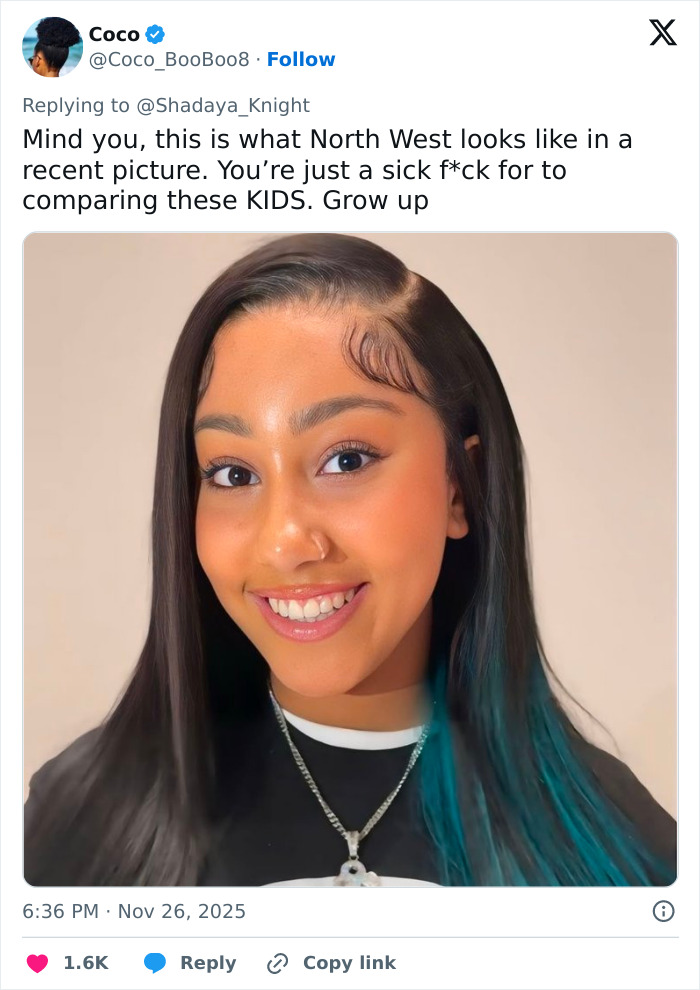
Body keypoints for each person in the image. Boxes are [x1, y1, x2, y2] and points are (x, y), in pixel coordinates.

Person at [24, 234, 676, 886]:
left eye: (347, 460)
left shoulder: (620, 851)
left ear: (460, 486)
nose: (284, 541)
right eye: (232, 473)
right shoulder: (78, 826)